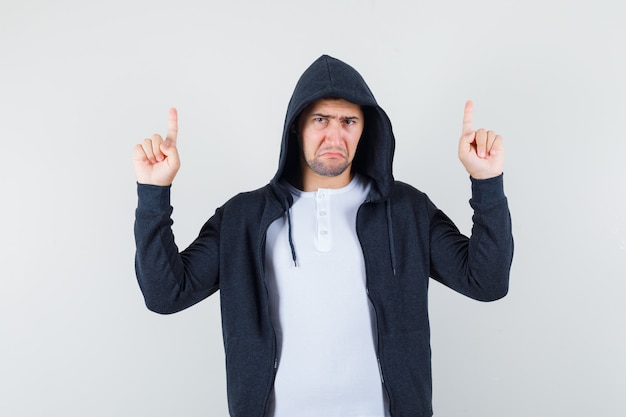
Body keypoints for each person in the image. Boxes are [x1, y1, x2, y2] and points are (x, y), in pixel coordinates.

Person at [133, 55, 513, 417]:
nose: (335, 136)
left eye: (349, 121)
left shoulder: (406, 209)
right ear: (297, 125)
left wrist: (486, 182)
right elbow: (166, 294)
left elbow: (487, 281)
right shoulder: (243, 218)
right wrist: (153, 194)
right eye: (321, 120)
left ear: (366, 128)